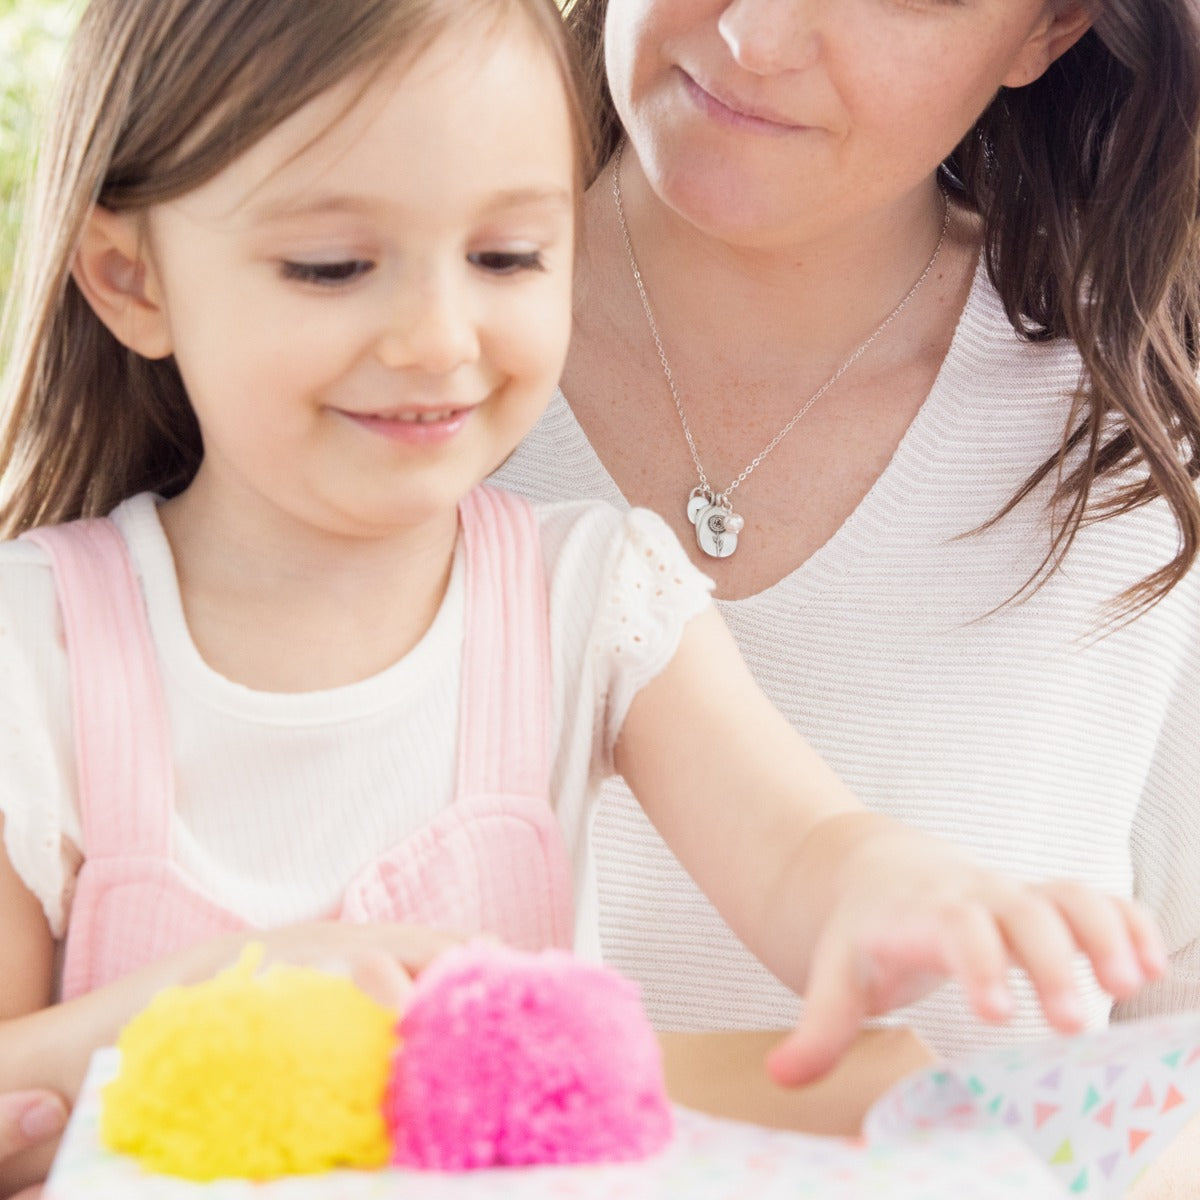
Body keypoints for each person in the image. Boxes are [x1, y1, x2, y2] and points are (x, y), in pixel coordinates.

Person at [0, 0, 1167, 1189]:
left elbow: (803, 848)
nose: (436, 337)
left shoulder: (592, 591)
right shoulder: (37, 656)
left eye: (508, 257)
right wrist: (215, 1013)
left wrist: (899, 897)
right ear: (127, 276)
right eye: (332, 267)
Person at [493, 0, 1200, 1070]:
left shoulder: (1142, 453)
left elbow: (1170, 1072)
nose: (757, 37)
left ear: (1047, 32)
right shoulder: (321, 353)